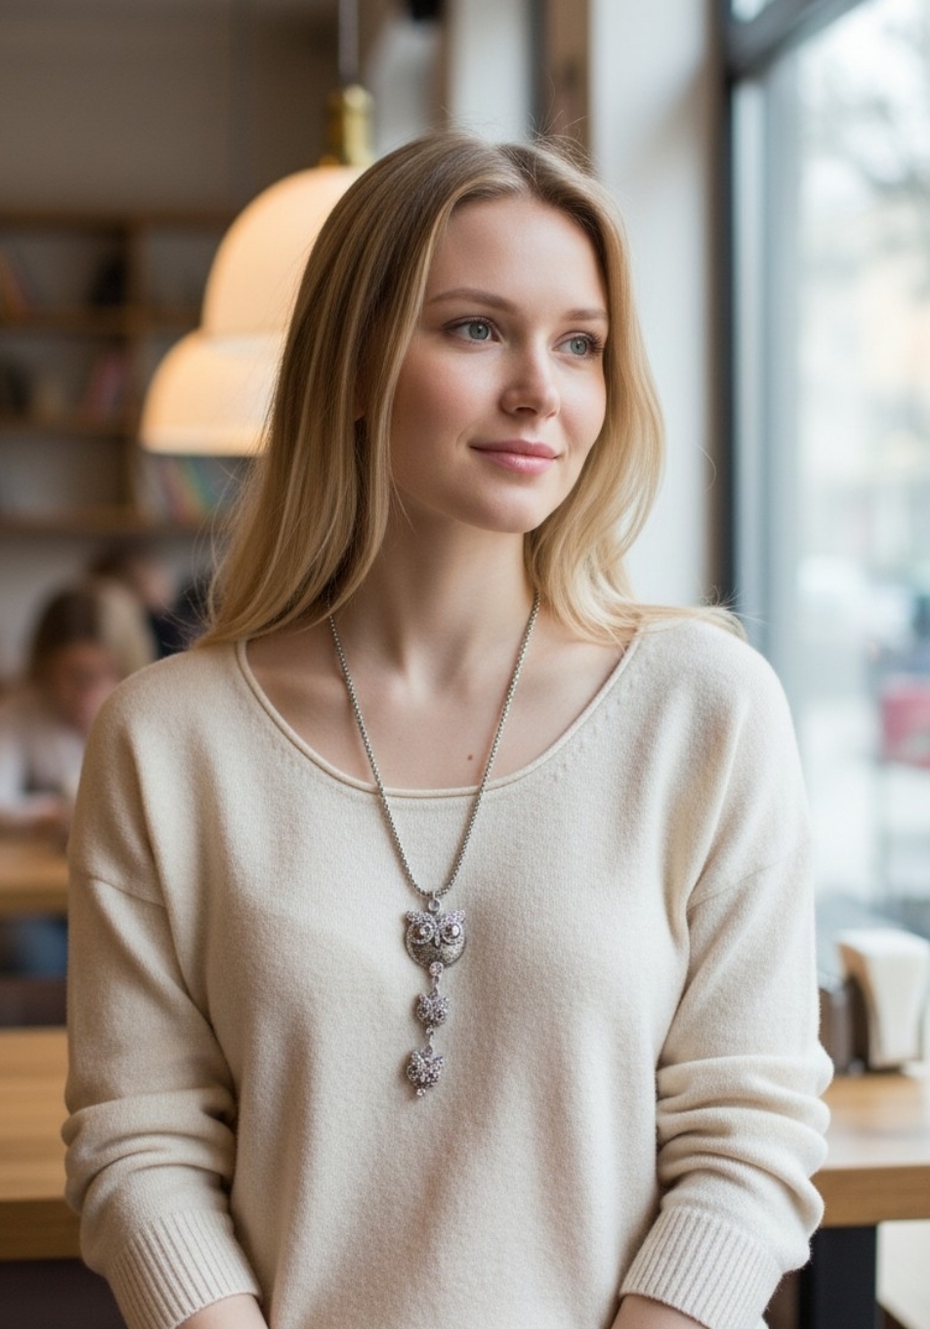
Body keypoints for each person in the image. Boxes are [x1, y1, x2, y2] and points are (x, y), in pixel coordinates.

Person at [63, 132, 831, 1329]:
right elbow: (139, 1143)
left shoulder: (706, 710)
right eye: (477, 329)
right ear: (354, 364)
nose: (540, 391)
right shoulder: (165, 743)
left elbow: (750, 1138)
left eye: (579, 344)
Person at [0, 581, 154, 972]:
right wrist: (45, 816)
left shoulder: (148, 711)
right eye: (72, 676)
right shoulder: (16, 711)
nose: (87, 693)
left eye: (100, 675)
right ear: (43, 668)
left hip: (131, 898)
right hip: (41, 901)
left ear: (125, 666)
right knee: (28, 951)